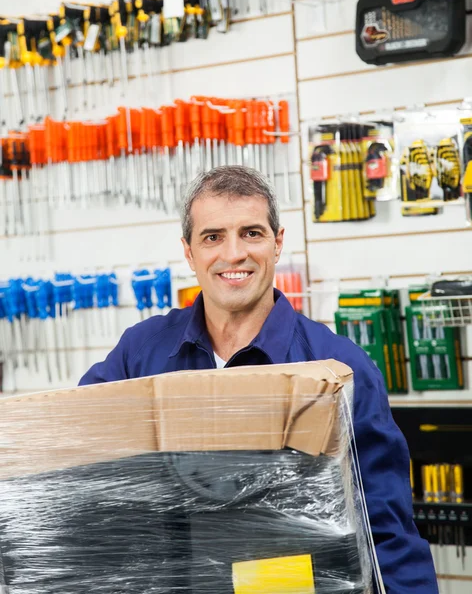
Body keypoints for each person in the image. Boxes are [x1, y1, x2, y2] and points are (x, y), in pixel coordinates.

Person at [80, 166, 438, 593]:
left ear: (277, 242)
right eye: (213, 237)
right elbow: (79, 471)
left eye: (251, 233)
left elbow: (386, 529)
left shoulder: (339, 367)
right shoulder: (140, 353)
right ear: (189, 252)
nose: (234, 254)